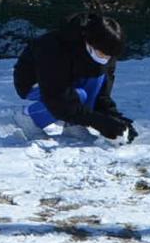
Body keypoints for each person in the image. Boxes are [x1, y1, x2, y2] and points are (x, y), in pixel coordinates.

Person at [12, 12, 136, 144]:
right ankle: (28, 117)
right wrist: (97, 121)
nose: (106, 59)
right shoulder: (55, 48)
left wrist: (117, 121)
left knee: (96, 79)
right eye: (103, 54)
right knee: (79, 95)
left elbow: (101, 96)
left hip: (70, 80)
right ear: (89, 42)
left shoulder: (106, 51)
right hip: (35, 81)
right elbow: (57, 98)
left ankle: (73, 125)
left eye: (110, 56)